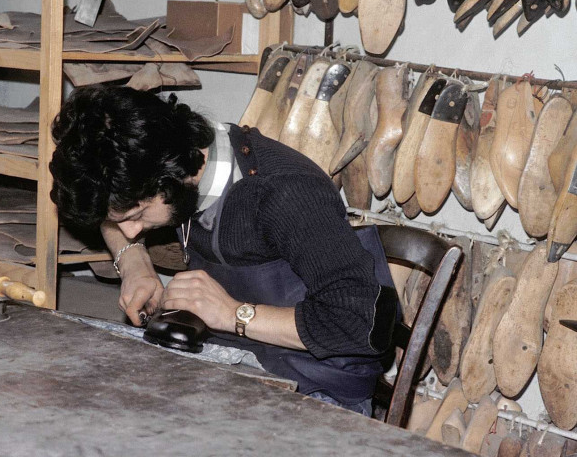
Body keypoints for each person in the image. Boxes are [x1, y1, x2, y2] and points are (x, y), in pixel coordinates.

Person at [49, 85, 397, 417]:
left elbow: (362, 323)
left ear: (173, 175)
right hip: (232, 363)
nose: (131, 230)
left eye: (137, 216)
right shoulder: (182, 164)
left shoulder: (284, 193)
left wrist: (234, 314)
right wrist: (134, 261)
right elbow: (112, 221)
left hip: (317, 389)